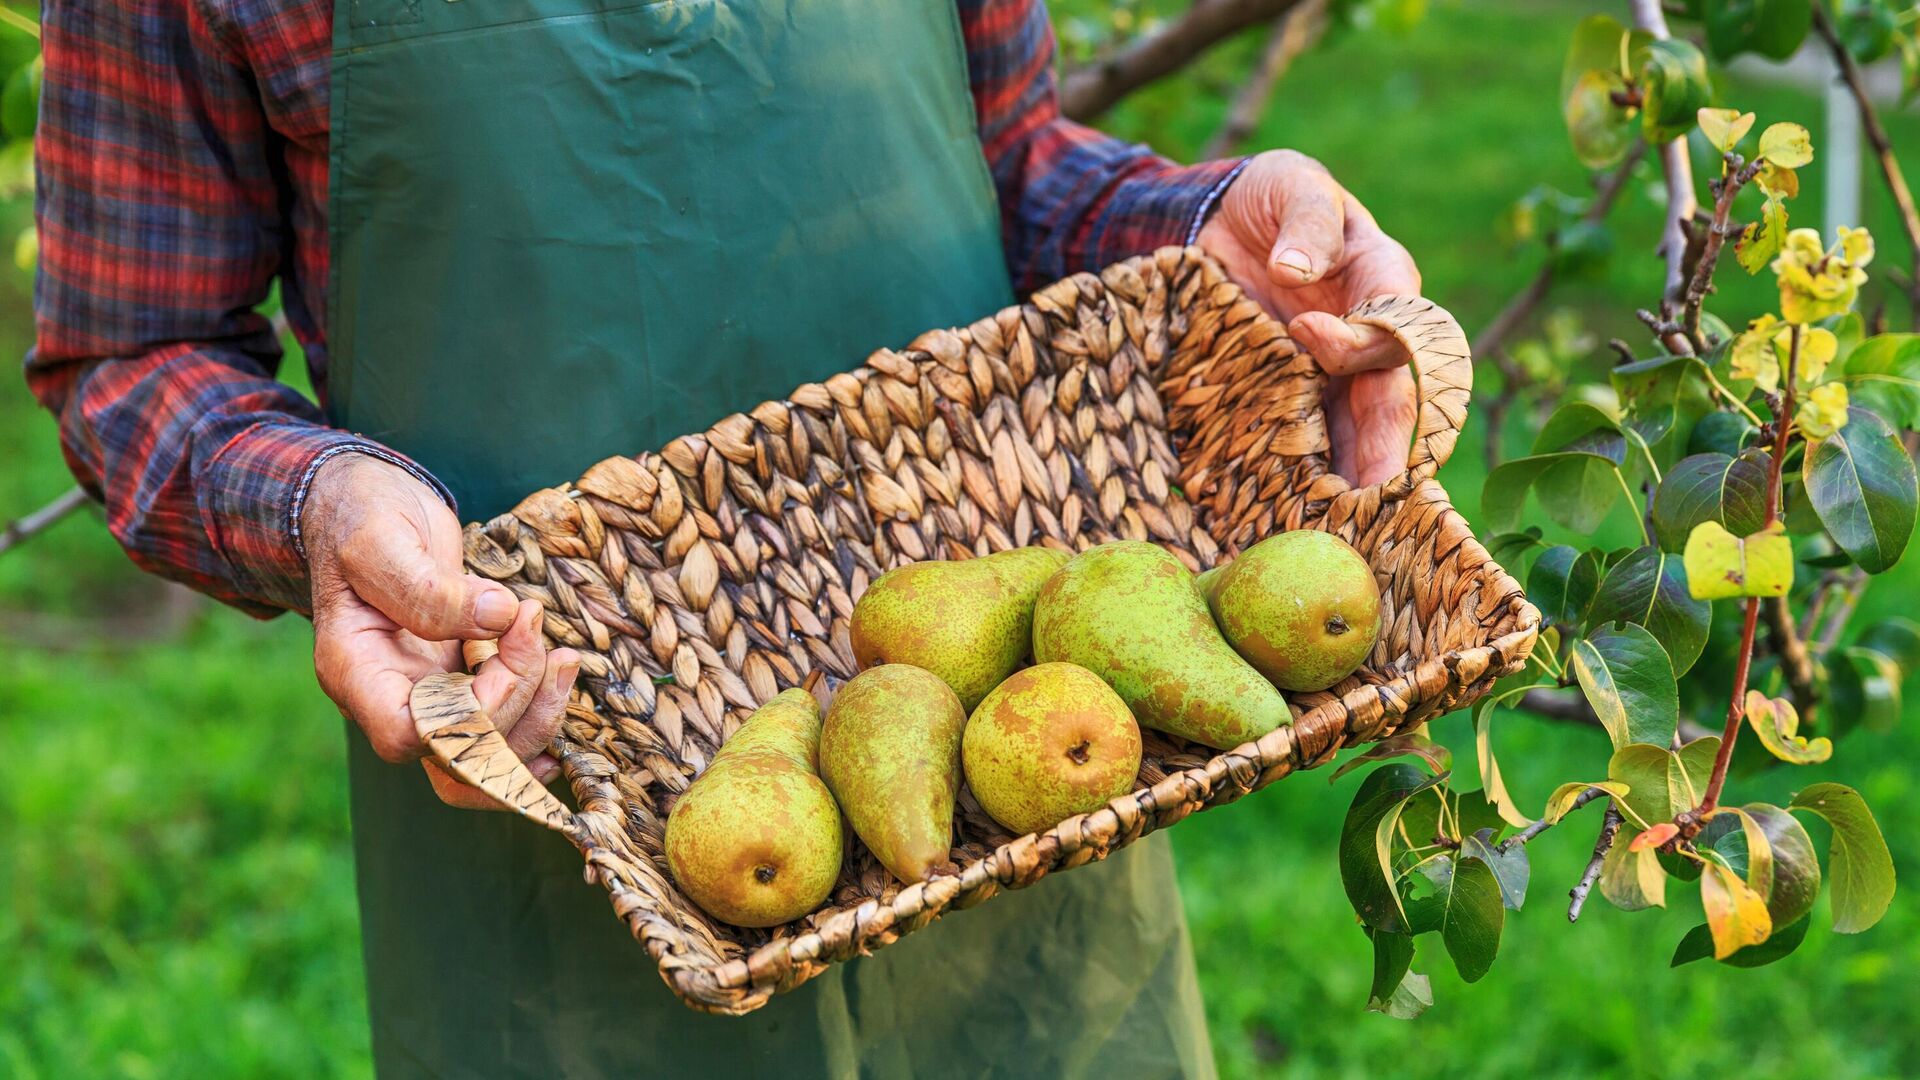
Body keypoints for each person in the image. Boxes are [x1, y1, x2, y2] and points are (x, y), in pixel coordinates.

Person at [29, 0, 1421, 1074]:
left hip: (1021, 800)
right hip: (551, 778)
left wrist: (1201, 246)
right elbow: (133, 354)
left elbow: (1006, 162)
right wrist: (320, 508)